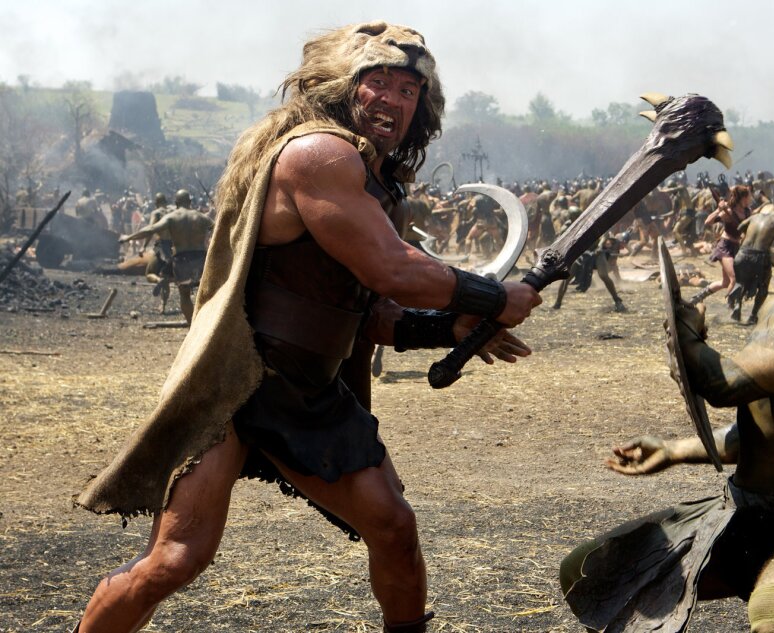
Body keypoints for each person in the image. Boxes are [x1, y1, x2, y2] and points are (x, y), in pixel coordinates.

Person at [72, 22, 541, 633]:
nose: (392, 99)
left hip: (307, 393)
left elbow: (369, 311)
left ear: (421, 109)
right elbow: (393, 269)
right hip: (238, 383)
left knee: (394, 528)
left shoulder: (378, 185)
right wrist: (494, 295)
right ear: (344, 86)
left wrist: (449, 328)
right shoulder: (318, 154)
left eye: (408, 90)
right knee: (174, 560)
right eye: (378, 82)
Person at [560, 174, 774, 633]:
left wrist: (686, 330)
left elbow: (725, 384)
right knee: (588, 571)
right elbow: (756, 430)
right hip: (742, 509)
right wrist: (674, 450)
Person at [119, 189, 214, 324]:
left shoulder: (171, 217)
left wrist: (128, 237)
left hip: (181, 261)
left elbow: (150, 229)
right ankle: (208, 323)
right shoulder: (201, 217)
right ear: (190, 202)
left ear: (176, 203)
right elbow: (220, 228)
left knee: (185, 295)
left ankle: (192, 326)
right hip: (201, 259)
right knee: (207, 293)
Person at [726, 204, 774, 324]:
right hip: (760, 257)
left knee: (740, 283)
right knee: (763, 288)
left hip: (742, 254)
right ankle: (753, 316)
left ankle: (738, 306)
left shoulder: (755, 216)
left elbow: (740, 227)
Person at [690, 185, 753, 305]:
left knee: (725, 283)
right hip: (725, 247)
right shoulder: (728, 212)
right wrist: (718, 210)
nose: (750, 199)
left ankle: (698, 297)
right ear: (743, 198)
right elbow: (708, 221)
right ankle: (730, 307)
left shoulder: (747, 212)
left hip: (737, 248)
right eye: (748, 197)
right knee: (734, 279)